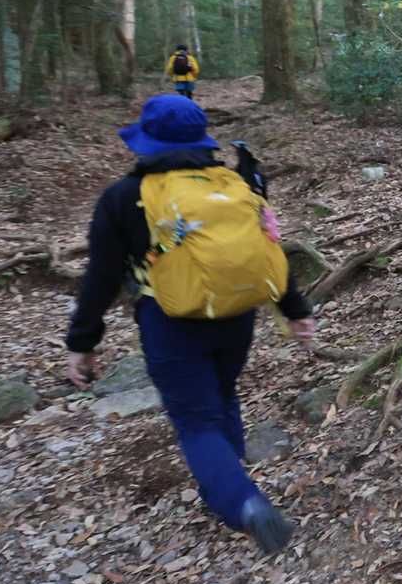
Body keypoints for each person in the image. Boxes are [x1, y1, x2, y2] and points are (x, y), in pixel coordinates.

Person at [64, 95, 314, 555]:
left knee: (196, 421)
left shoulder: (123, 198)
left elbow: (101, 277)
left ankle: (241, 501)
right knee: (222, 394)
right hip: (236, 313)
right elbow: (268, 251)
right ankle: (226, 482)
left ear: (146, 143)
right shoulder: (235, 184)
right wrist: (296, 310)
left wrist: (82, 342)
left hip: (170, 321)